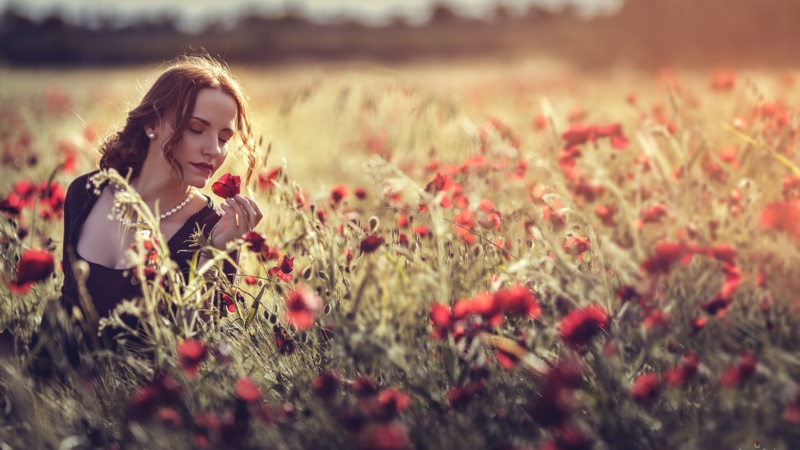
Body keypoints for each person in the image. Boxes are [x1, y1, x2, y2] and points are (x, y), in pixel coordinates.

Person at [60, 55, 263, 322]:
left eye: (224, 137)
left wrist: (213, 254)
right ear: (151, 123)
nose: (215, 149)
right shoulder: (85, 193)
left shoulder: (216, 229)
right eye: (196, 129)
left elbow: (194, 352)